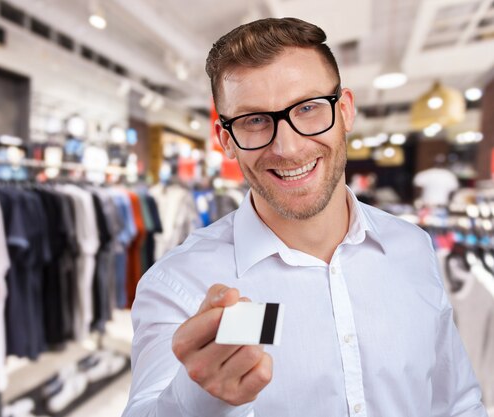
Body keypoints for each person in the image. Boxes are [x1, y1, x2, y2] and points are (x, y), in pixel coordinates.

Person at [121, 17, 486, 417]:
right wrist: (199, 400)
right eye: (254, 120)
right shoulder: (178, 284)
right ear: (227, 140)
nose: (288, 146)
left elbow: (455, 402)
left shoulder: (412, 248)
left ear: (345, 110)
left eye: (309, 108)